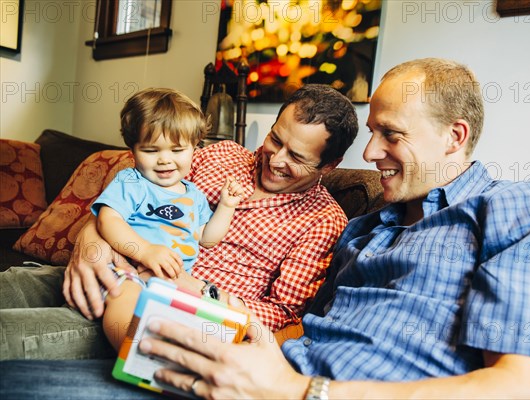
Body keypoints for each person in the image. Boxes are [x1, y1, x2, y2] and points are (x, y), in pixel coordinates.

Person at [2, 57, 530, 398]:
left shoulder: (519, 209)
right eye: (374, 133)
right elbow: (297, 330)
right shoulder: (369, 228)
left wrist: (296, 389)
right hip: (235, 358)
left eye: (392, 135)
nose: (376, 152)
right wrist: (93, 238)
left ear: (455, 137)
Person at [0, 84, 359, 359]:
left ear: (330, 165)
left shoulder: (323, 222)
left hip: (163, 309)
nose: (275, 159)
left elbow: (282, 313)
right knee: (12, 283)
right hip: (110, 265)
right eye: (274, 139)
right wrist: (89, 243)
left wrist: (200, 291)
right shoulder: (222, 154)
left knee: (11, 336)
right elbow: (134, 190)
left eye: (295, 156)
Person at [92, 88, 244, 350]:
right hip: (126, 269)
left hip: (172, 280)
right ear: (133, 151)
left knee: (227, 305)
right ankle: (134, 351)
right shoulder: (132, 181)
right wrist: (145, 251)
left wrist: (227, 206)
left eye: (177, 149)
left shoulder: (193, 194)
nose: (164, 160)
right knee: (125, 294)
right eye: (151, 150)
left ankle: (207, 351)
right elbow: (108, 220)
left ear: (194, 148)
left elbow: (206, 239)